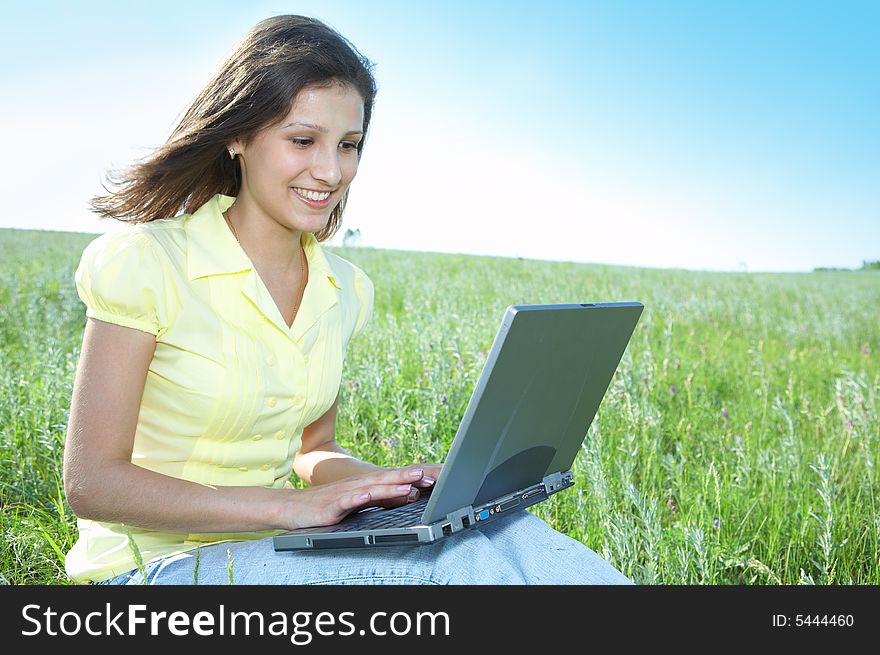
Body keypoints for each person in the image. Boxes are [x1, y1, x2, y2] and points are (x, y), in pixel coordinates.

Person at [63, 14, 632, 585]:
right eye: (302, 140)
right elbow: (92, 482)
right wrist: (284, 508)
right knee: (464, 568)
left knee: (512, 535)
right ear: (236, 135)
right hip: (149, 569)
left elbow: (314, 450)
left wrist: (393, 484)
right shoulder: (145, 263)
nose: (331, 171)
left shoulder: (343, 288)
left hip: (276, 548)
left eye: (349, 145)